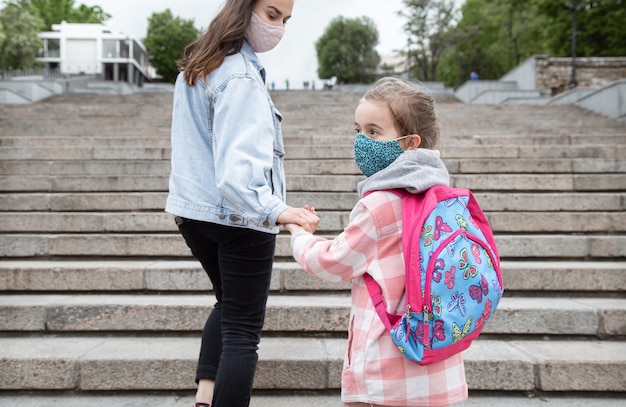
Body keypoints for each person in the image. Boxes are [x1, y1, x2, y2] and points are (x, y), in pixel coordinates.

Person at [165, 1, 319, 406]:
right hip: (239, 218)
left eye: (285, 20)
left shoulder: (200, 65)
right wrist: (278, 210)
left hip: (195, 214)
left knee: (228, 304)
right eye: (272, 14)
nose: (279, 28)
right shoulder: (241, 76)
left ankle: (205, 396)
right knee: (242, 332)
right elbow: (237, 173)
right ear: (244, 7)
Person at [284, 77, 468, 407]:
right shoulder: (445, 202)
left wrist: (300, 236)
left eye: (373, 132)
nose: (361, 141)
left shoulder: (379, 205)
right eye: (358, 130)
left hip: (388, 375)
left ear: (410, 143)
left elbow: (332, 261)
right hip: (438, 367)